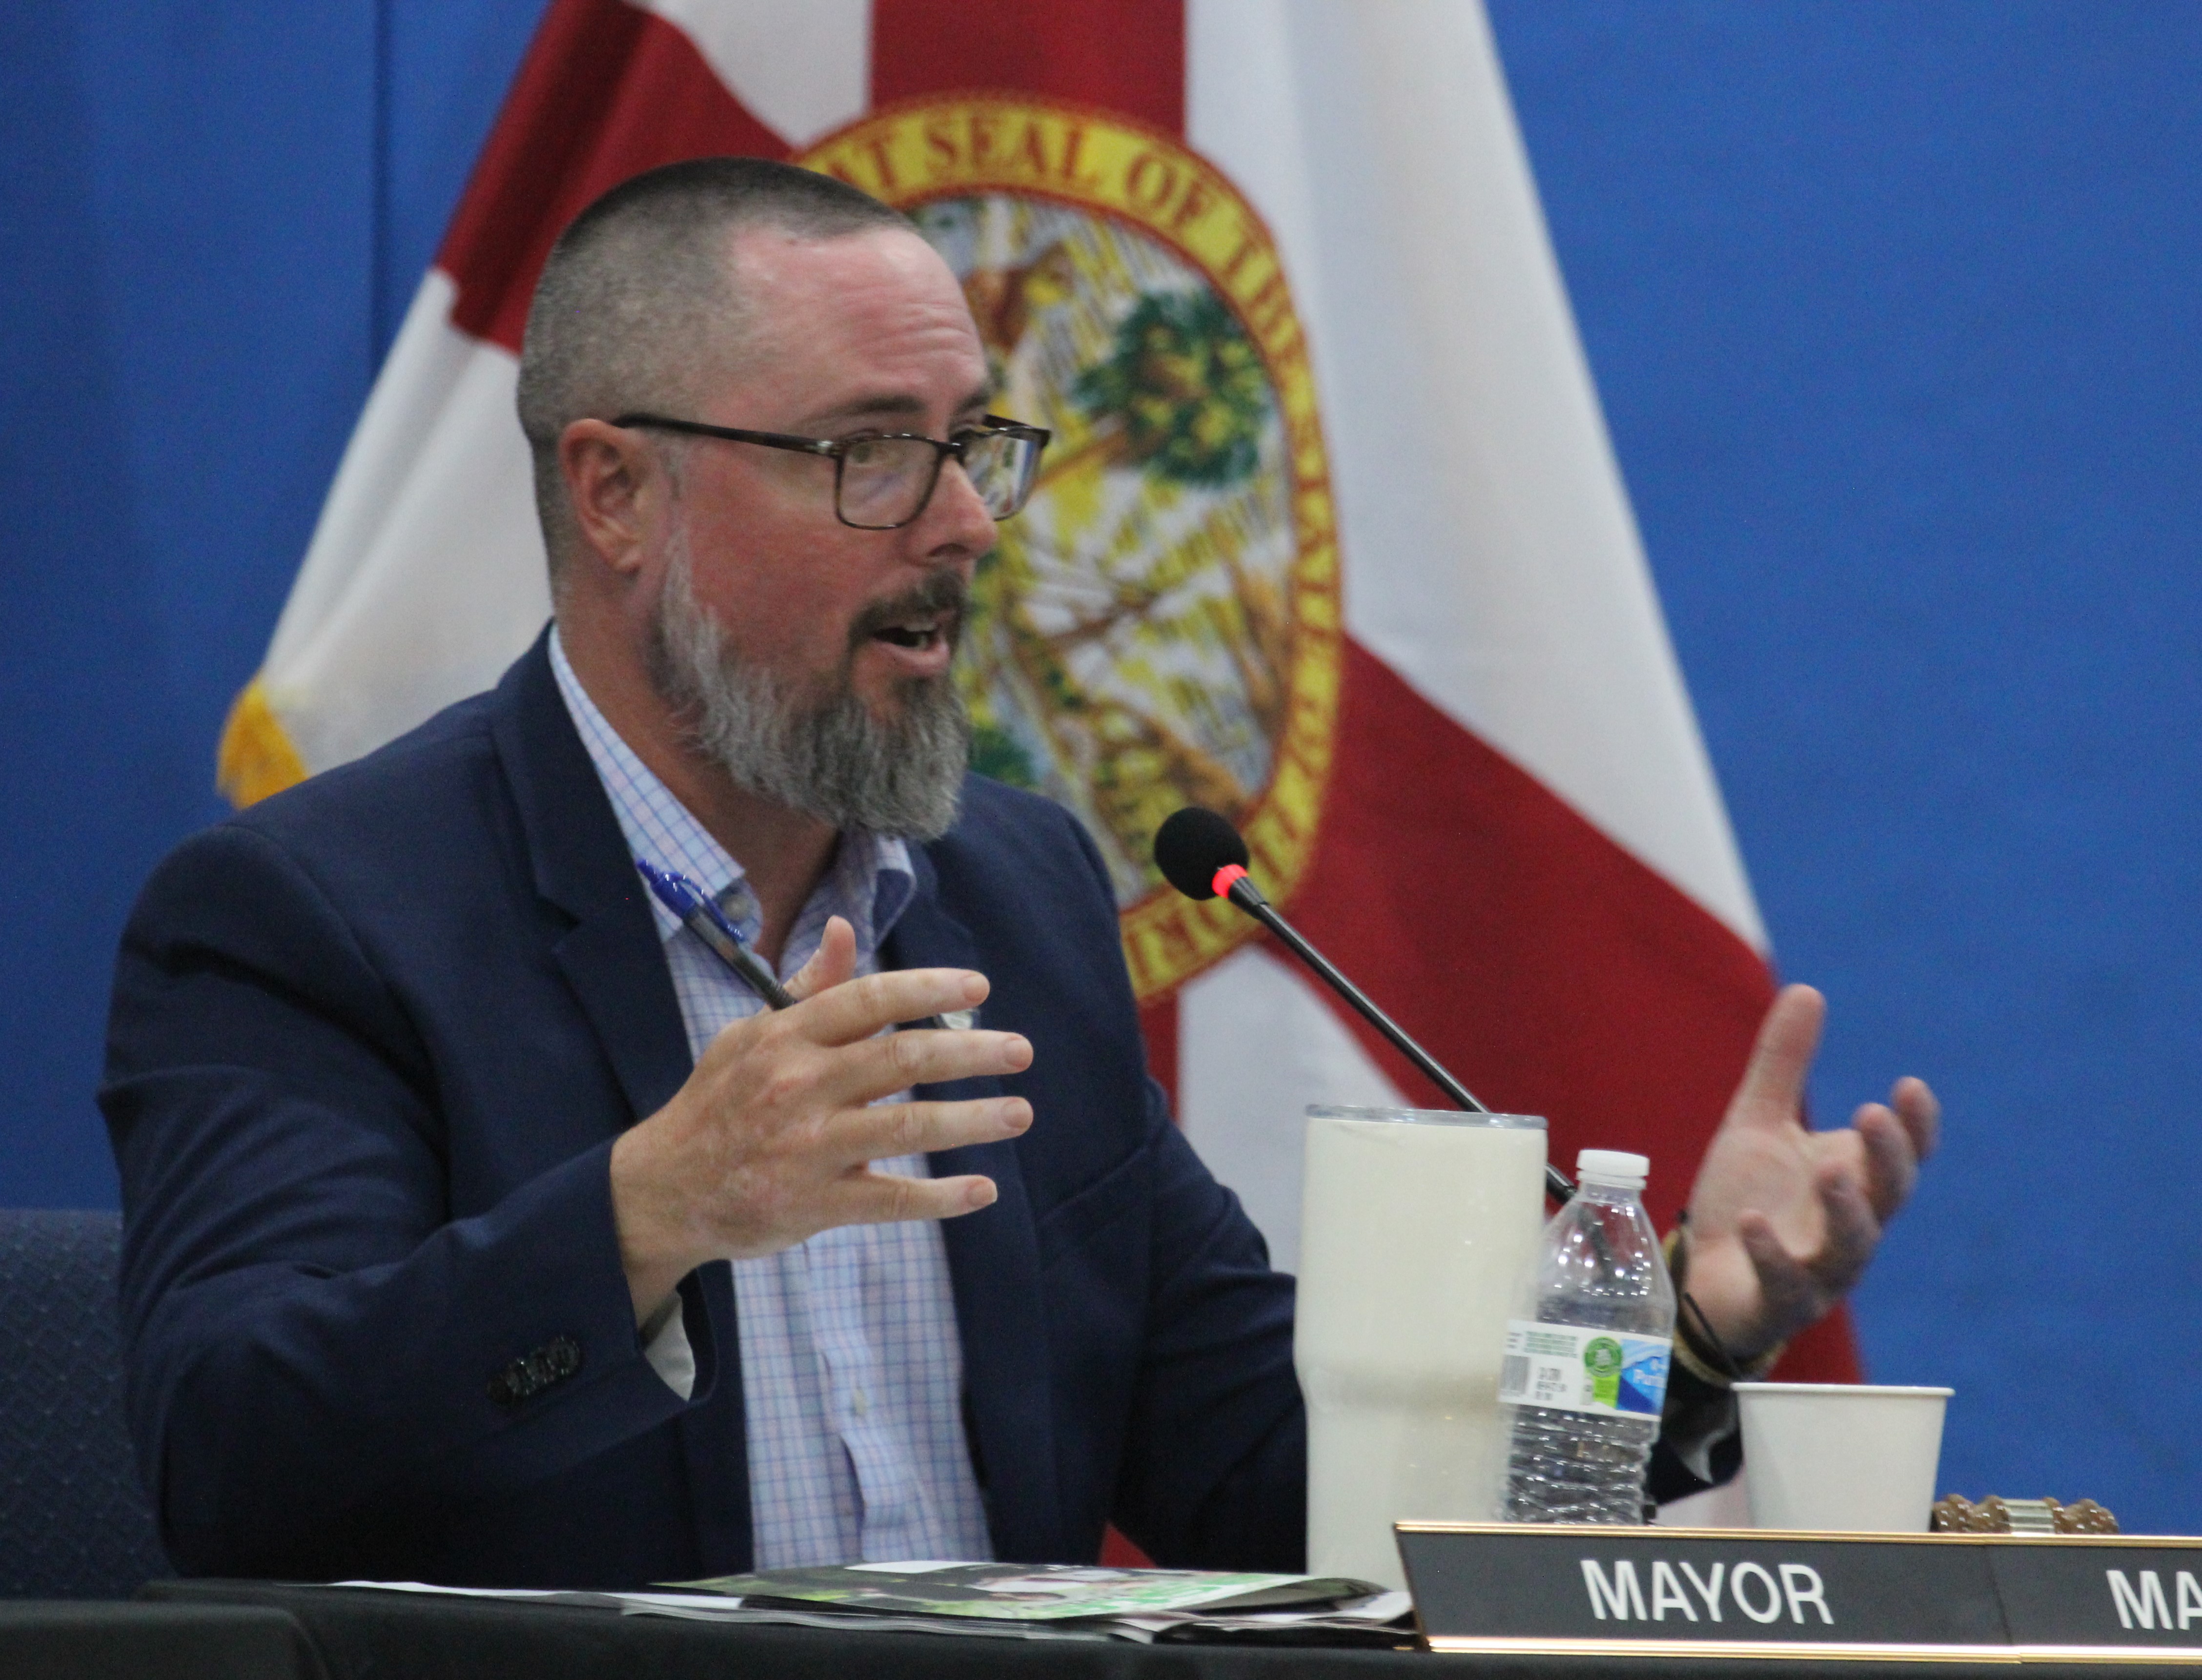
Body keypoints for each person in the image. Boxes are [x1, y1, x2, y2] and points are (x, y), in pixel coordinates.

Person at [102, 158, 1937, 1590]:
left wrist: (1677, 1326)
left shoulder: (1013, 894)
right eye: (873, 455)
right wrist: (649, 1212)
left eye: (975, 443)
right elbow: (235, 1456)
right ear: (615, 494)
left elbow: (1276, 1471)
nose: (972, 523)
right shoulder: (318, 920)